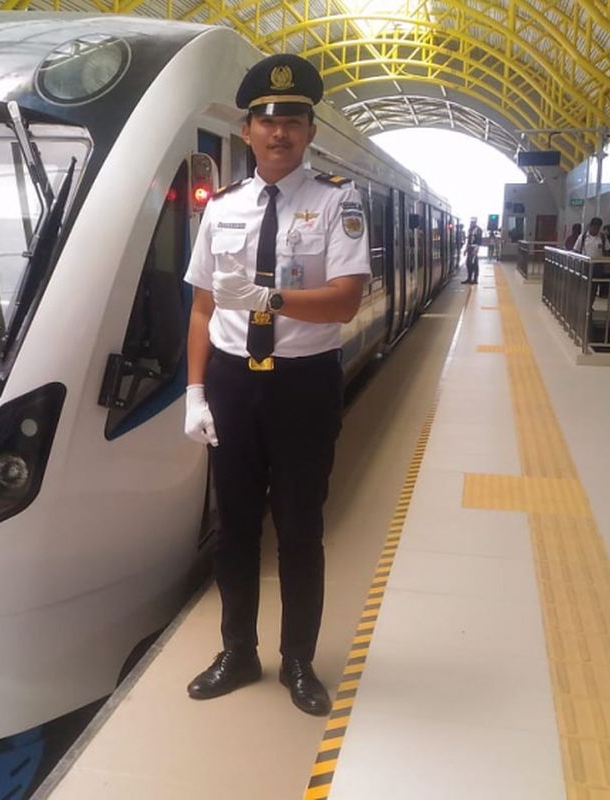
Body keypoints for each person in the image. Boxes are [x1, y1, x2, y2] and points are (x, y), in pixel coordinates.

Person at [181, 53, 370, 716]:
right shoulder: (223, 208)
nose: (279, 131)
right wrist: (195, 393)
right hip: (233, 383)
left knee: (298, 528)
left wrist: (265, 296)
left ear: (309, 131)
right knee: (232, 528)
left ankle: (297, 660)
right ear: (246, 130)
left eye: (292, 119)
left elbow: (346, 301)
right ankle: (237, 652)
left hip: (303, 387)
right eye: (267, 119)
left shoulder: (338, 203)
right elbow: (204, 308)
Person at [463, 217, 483, 284]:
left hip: (474, 248)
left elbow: (479, 241)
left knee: (474, 264)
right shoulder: (470, 230)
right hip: (469, 248)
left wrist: (476, 250)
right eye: (471, 222)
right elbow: (468, 240)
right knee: (468, 264)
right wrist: (466, 249)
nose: (471, 223)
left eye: (473, 222)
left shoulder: (478, 230)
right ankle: (469, 278)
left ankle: (475, 279)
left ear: (475, 222)